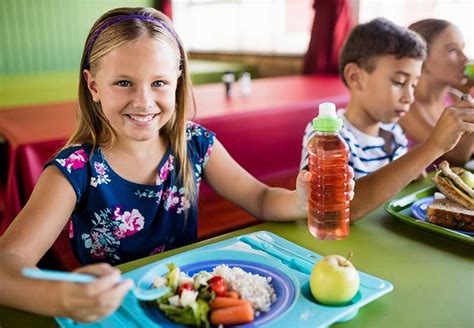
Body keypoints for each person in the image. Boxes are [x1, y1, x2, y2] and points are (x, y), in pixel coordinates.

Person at [0, 7, 356, 322]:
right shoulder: (75, 169)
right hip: (115, 315)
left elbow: (260, 198)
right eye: (123, 83)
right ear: (93, 85)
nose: (143, 102)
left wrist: (298, 200)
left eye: (159, 83)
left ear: (177, 83)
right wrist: (61, 297)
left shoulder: (194, 143)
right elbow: (6, 263)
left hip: (188, 306)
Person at [300, 18, 474, 221]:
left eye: (413, 84)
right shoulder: (327, 134)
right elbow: (339, 209)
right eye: (399, 82)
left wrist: (409, 172)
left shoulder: (393, 134)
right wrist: (434, 145)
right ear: (356, 77)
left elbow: (394, 190)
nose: (409, 97)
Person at [399, 19, 473, 165]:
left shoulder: (455, 98)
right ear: (421, 56)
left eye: (462, 49)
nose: (465, 59)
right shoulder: (405, 106)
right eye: (453, 50)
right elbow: (457, 156)